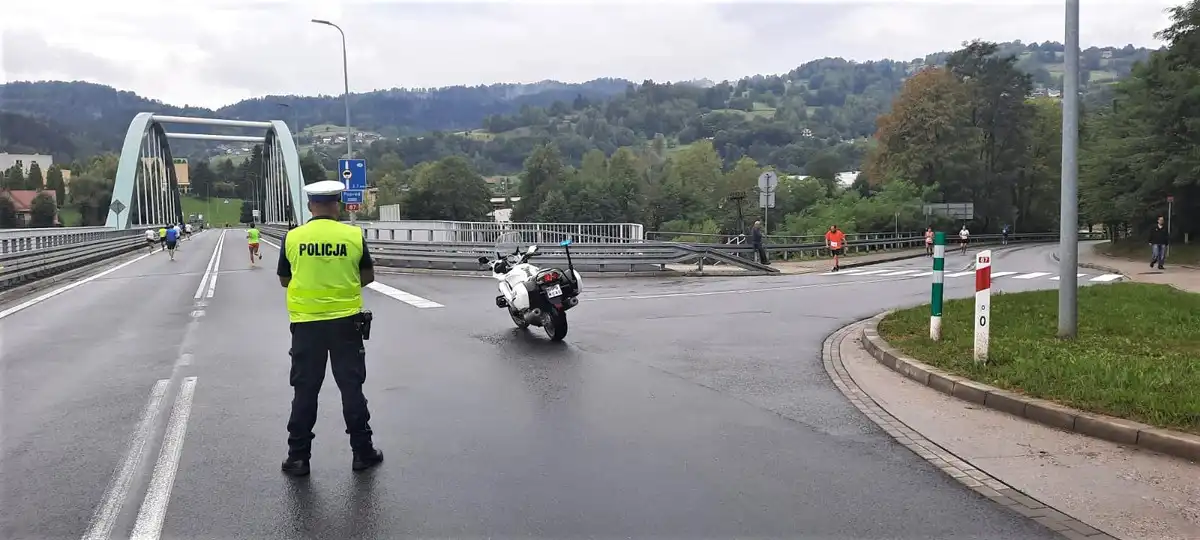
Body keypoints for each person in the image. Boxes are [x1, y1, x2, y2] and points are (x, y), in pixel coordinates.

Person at [276, 180, 383, 477]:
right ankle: (362, 452)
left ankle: (298, 457)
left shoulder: (293, 238)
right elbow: (368, 276)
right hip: (345, 324)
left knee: (305, 391)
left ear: (311, 206)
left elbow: (285, 279)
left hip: (306, 325)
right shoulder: (353, 236)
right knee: (351, 389)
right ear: (336, 205)